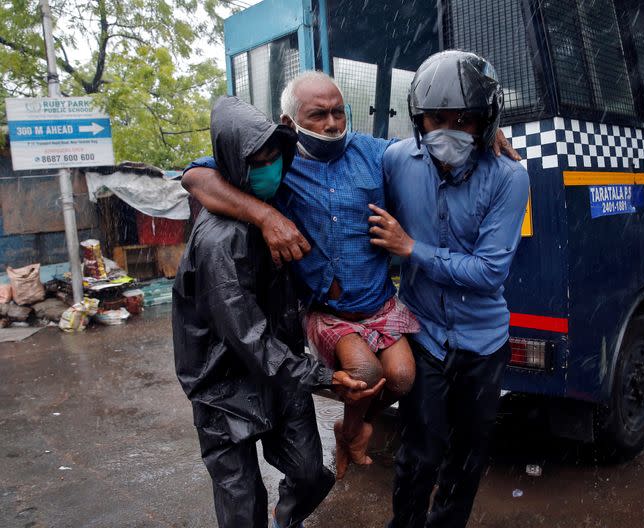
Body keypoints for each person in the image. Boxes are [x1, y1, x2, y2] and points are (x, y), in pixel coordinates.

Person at [182, 72, 420, 480]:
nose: (332, 124)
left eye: (338, 113)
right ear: (290, 122)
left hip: (378, 301)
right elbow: (194, 176)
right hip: (325, 309)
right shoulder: (279, 163)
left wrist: (484, 143)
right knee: (365, 374)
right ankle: (352, 428)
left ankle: (351, 428)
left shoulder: (374, 153)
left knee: (401, 378)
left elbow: (421, 153)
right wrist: (267, 215)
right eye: (318, 115)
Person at [172, 96, 384, 528]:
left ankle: (286, 519)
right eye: (258, 160)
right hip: (223, 383)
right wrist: (324, 377)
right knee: (241, 503)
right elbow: (247, 338)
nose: (270, 168)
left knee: (309, 473)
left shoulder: (281, 193)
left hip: (280, 371)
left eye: (275, 156)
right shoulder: (220, 242)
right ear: (234, 164)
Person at [368, 50, 530, 528]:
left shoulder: (509, 177)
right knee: (419, 454)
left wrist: (410, 248)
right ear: (419, 120)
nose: (450, 131)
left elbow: (488, 273)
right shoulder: (396, 159)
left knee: (468, 458)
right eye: (438, 119)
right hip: (424, 333)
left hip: (484, 343)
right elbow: (334, 163)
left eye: (466, 120)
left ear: (487, 121)